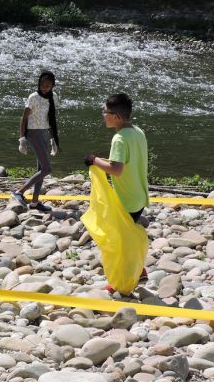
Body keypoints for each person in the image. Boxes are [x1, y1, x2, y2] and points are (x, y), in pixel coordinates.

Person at [84, 93, 150, 293]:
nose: (103, 115)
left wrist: (94, 160)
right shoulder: (137, 131)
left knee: (118, 242)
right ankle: (140, 271)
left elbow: (117, 169)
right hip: (139, 195)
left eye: (106, 112)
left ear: (117, 117)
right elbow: (126, 163)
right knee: (127, 237)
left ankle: (119, 282)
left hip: (126, 200)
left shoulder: (119, 139)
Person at [11, 71, 61, 211]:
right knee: (47, 168)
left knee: (41, 169)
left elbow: (51, 119)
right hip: (32, 133)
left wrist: (53, 139)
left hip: (44, 133)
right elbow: (24, 119)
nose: (44, 88)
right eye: (42, 85)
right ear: (39, 84)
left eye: (48, 86)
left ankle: (34, 202)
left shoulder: (54, 97)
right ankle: (19, 192)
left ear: (52, 86)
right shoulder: (33, 97)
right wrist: (22, 139)